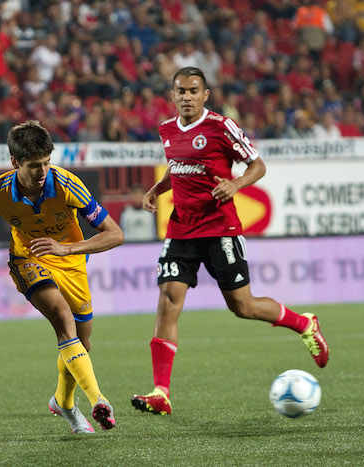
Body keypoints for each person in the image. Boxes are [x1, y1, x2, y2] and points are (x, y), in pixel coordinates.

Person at [130, 68, 330, 416]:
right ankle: (161, 391)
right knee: (168, 298)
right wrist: (157, 189)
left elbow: (258, 165)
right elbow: (177, 166)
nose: (187, 97)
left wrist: (236, 185)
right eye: (181, 91)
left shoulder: (221, 126)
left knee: (243, 306)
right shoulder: (166, 130)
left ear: (206, 94)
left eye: (194, 91)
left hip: (220, 227)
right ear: (172, 94)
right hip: (181, 230)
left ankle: (303, 323)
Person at [0, 120, 124, 434]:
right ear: (15, 163)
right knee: (61, 317)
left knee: (82, 342)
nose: (42, 172)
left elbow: (115, 234)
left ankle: (63, 402)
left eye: (46, 163)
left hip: (69, 260)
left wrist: (68, 250)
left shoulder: (67, 185)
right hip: (28, 257)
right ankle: (98, 400)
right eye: (33, 166)